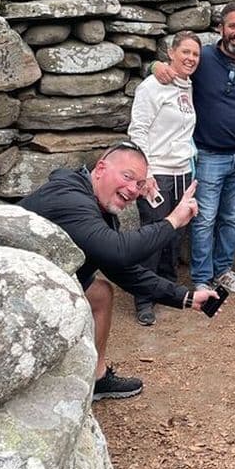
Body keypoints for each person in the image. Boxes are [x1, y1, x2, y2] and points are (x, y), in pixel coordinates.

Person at [18, 141, 219, 401]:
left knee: (100, 293)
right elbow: (118, 251)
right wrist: (172, 221)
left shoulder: (98, 208)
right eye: (127, 177)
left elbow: (121, 268)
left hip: (44, 281)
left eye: (139, 183)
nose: (133, 189)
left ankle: (97, 378)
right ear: (101, 168)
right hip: (13, 287)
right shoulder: (70, 198)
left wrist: (186, 298)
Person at [152, 2, 235, 294]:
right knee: (204, 219)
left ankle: (223, 270)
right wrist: (156, 66)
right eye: (232, 26)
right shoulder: (205, 59)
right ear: (220, 28)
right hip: (208, 155)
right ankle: (202, 278)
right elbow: (175, 68)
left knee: (231, 218)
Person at [128, 31, 202, 326]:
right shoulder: (152, 86)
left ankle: (167, 288)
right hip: (156, 171)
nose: (191, 58)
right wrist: (144, 173)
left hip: (182, 171)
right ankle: (143, 298)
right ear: (171, 53)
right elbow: (138, 130)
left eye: (195, 54)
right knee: (152, 235)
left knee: (174, 235)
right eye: (185, 52)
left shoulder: (188, 85)